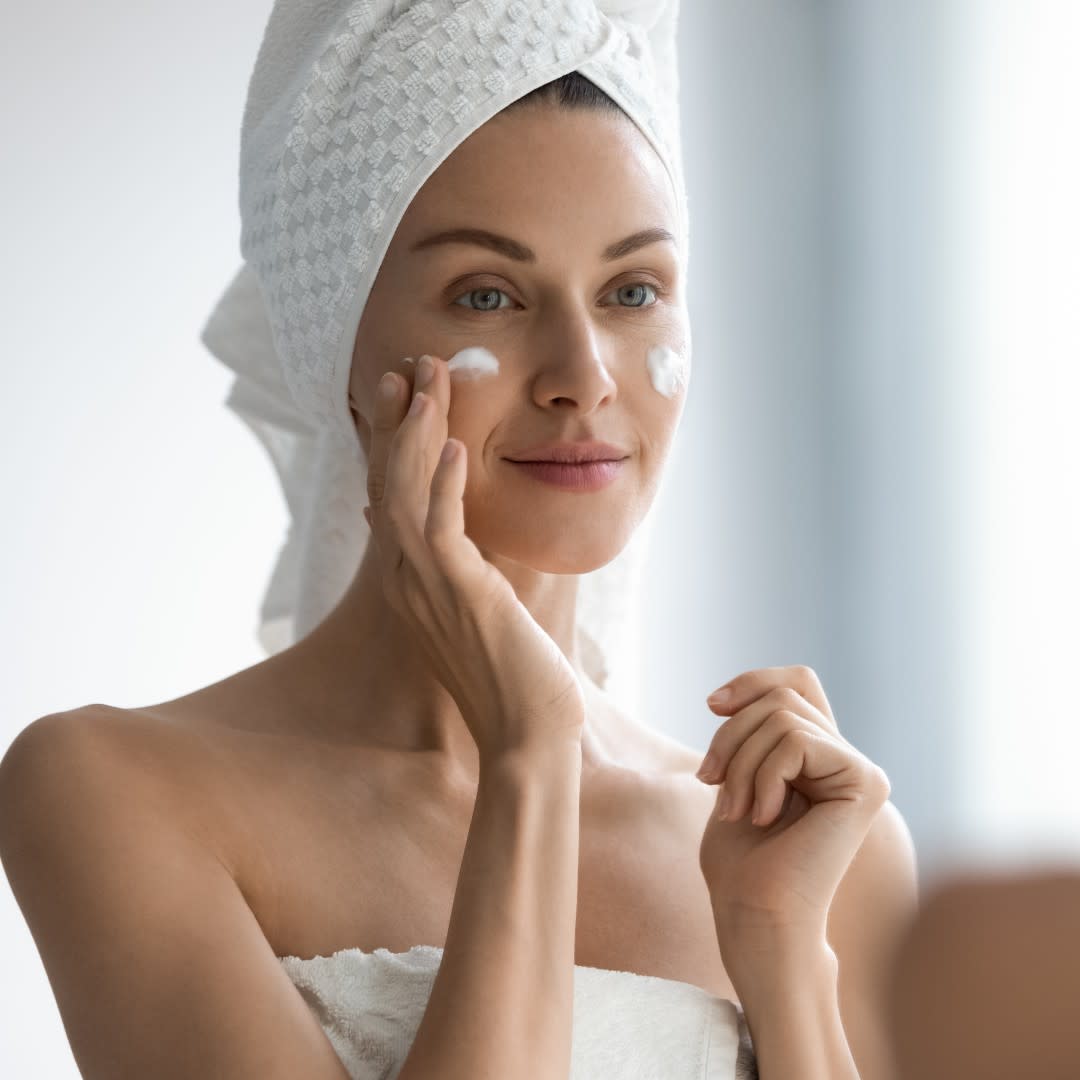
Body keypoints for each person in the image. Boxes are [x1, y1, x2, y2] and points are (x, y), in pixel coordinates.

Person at [0, 5, 916, 1078]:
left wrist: (783, 960)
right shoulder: (115, 792)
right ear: (336, 344)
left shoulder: (818, 852)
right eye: (488, 293)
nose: (584, 373)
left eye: (633, 291)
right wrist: (528, 751)